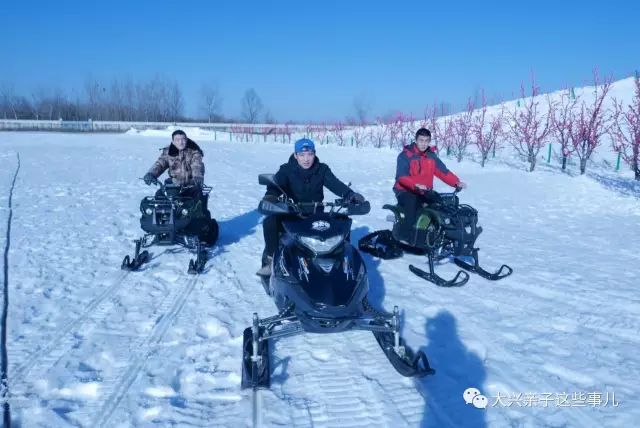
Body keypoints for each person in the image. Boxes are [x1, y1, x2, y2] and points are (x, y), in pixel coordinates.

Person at [256, 138, 365, 276]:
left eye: (310, 154)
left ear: (314, 153)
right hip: (292, 214)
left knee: (342, 221)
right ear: (295, 155)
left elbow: (335, 184)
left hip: (316, 215)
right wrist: (271, 196)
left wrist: (350, 195)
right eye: (302, 155)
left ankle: (344, 262)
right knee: (269, 221)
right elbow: (276, 185)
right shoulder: (286, 169)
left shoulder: (322, 169)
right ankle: (271, 260)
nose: (306, 159)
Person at [143, 130, 216, 245]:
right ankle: (161, 226)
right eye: (178, 140)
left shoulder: (194, 151)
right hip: (173, 184)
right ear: (173, 141)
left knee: (193, 205)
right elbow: (160, 163)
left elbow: (198, 166)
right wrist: (151, 174)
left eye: (183, 139)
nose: (181, 142)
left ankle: (197, 228)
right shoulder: (168, 152)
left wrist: (197, 178)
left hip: (190, 185)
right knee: (159, 198)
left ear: (186, 139)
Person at [393, 127, 466, 243]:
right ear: (416, 140)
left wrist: (456, 182)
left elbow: (443, 172)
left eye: (427, 141)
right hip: (405, 190)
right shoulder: (405, 155)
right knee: (412, 206)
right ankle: (404, 237)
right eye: (421, 140)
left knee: (441, 205)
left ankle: (436, 235)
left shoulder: (431, 157)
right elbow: (401, 177)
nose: (424, 143)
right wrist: (415, 185)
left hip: (424, 191)